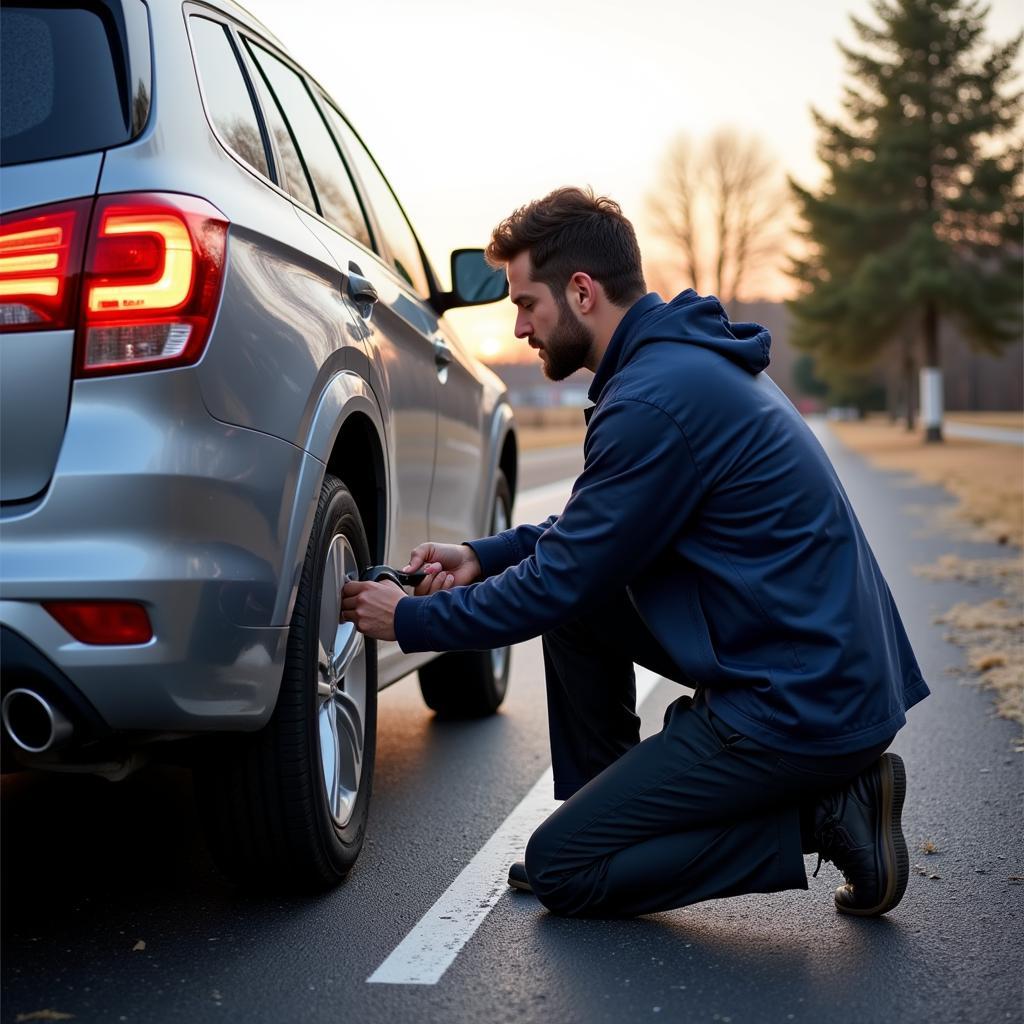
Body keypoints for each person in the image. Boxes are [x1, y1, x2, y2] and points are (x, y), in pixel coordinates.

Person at [341, 187, 927, 919]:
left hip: (802, 703)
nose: (519, 326)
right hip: (812, 666)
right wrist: (481, 555)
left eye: (527, 303)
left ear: (581, 291)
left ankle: (832, 813)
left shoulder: (653, 401)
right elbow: (598, 534)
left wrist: (411, 621)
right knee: (584, 607)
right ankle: (608, 817)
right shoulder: (674, 367)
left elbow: (558, 580)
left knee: (566, 871)